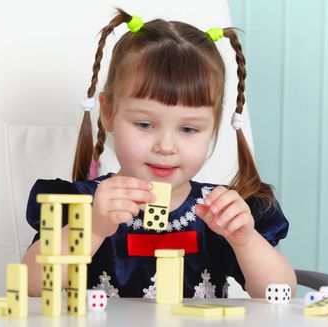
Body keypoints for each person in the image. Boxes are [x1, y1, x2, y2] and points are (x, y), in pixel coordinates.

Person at [22, 9, 296, 298]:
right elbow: (31, 286)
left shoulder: (222, 211)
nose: (166, 146)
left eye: (188, 129)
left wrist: (246, 240)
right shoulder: (83, 205)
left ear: (214, 127)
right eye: (144, 124)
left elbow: (279, 293)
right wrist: (92, 229)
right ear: (108, 112)